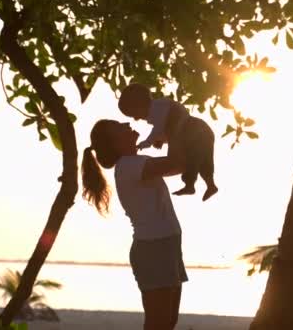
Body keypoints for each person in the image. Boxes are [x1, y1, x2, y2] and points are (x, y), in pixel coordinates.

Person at [82, 119, 187, 330]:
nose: (126, 123)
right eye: (118, 126)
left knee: (167, 322)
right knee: (159, 323)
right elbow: (177, 163)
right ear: (115, 143)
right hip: (154, 248)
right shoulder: (130, 165)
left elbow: (178, 165)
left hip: (164, 245)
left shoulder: (135, 163)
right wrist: (176, 129)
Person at [118, 83, 218, 201]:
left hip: (192, 130)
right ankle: (205, 185)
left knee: (195, 159)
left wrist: (148, 142)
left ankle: (196, 184)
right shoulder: (160, 108)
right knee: (201, 159)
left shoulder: (157, 108)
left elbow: (160, 128)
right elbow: (165, 129)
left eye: (135, 114)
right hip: (198, 130)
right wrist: (160, 140)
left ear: (140, 104)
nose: (136, 119)